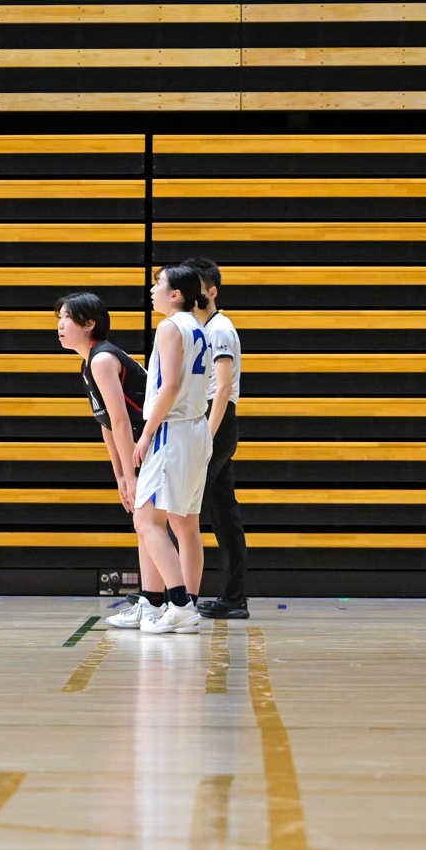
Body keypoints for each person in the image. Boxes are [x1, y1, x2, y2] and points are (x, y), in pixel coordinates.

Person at [55, 291, 157, 632]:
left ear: (89, 324)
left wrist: (131, 476)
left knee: (150, 523)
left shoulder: (102, 359)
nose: (60, 325)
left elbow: (123, 421)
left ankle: (164, 601)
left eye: (66, 318)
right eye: (59, 318)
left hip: (158, 442)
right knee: (145, 524)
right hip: (141, 446)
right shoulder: (88, 365)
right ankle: (153, 600)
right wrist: (120, 477)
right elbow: (107, 424)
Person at [128, 264, 212, 635]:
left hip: (172, 430)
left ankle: (178, 604)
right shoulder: (200, 326)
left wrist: (146, 433)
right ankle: (187, 604)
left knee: (146, 520)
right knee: (186, 523)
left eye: (158, 283)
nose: (152, 289)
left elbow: (171, 385)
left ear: (175, 294)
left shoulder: (169, 326)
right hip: (196, 429)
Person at [186, 257, 247, 619]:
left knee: (183, 505)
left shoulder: (219, 329)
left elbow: (222, 388)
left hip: (217, 421)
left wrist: (206, 437)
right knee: (223, 513)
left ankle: (171, 594)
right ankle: (234, 598)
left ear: (211, 291)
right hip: (213, 420)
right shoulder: (202, 328)